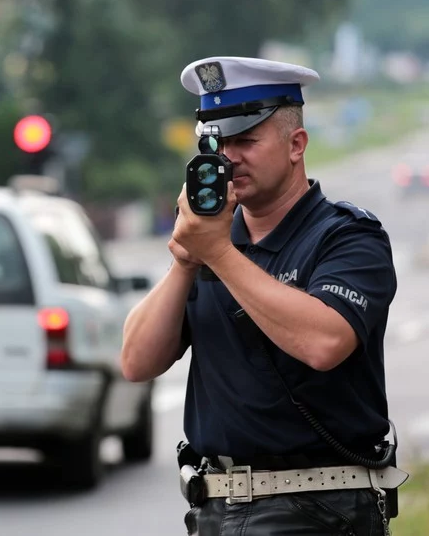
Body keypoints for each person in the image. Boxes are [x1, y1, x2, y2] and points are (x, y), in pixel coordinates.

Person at [120, 57, 408, 535]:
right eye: (215, 143)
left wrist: (219, 253)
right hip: (214, 508)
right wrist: (185, 261)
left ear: (296, 145)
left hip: (318, 508)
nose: (227, 157)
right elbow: (135, 362)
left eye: (245, 140)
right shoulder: (211, 242)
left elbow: (325, 343)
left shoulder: (347, 237)